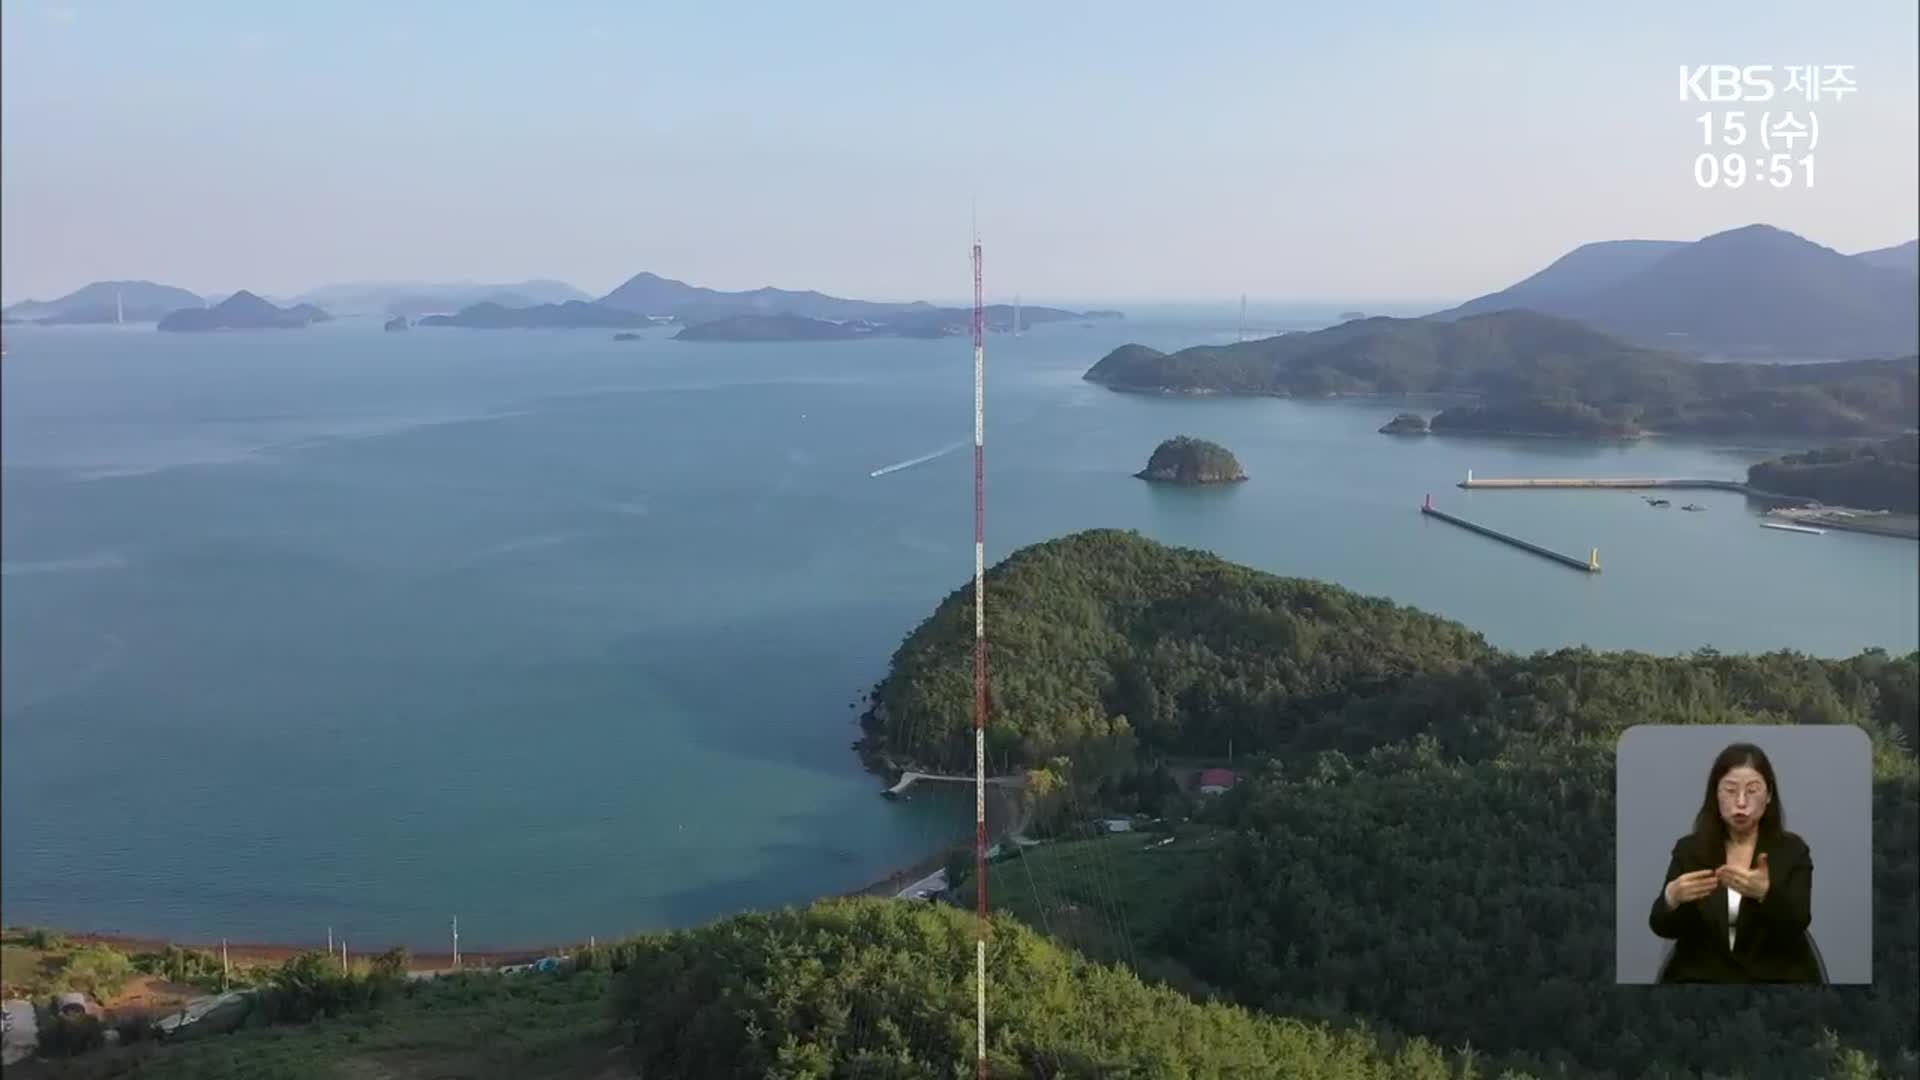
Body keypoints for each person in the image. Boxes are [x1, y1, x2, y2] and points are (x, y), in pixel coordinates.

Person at [1649, 742, 1822, 983]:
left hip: (1775, 980)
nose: (1741, 802)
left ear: (1769, 794)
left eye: (1752, 791)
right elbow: (1662, 927)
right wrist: (1672, 897)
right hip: (1701, 980)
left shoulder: (1792, 851)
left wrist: (1765, 894)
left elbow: (1798, 921)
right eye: (1730, 790)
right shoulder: (1690, 850)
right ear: (1715, 795)